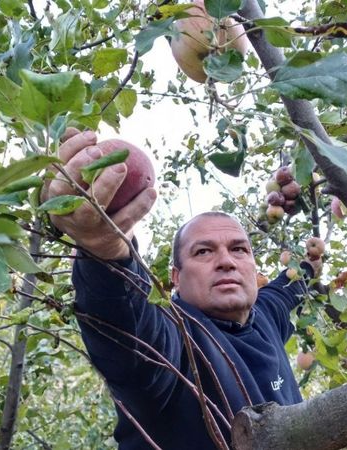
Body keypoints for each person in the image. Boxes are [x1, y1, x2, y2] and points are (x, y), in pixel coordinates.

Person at [42, 129, 314, 449]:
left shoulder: (265, 315)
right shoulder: (176, 334)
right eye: (203, 251)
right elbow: (131, 332)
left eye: (239, 249)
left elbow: (288, 288)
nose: (226, 261)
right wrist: (106, 251)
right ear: (175, 276)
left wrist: (309, 264)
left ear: (253, 268)